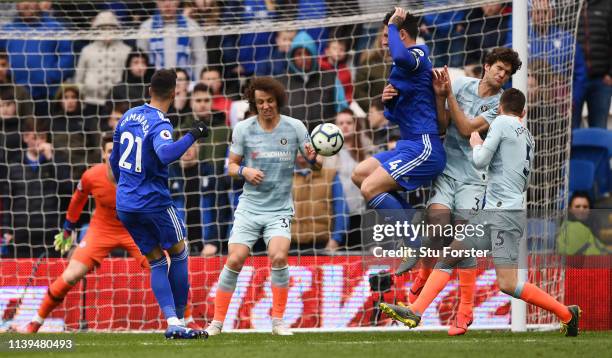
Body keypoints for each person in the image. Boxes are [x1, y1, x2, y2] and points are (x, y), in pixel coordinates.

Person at [380, 88, 582, 338]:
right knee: (503, 281)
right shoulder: (528, 135)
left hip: (498, 212)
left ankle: (417, 309)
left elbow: (480, 161)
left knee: (455, 256)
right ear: (524, 112)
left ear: (499, 108)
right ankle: (567, 314)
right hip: (512, 213)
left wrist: (477, 144)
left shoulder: (501, 123)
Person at [395, 47, 522, 336]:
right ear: (487, 65)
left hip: (475, 180)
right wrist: (441, 97)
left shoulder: (499, 107)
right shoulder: (463, 85)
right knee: (438, 229)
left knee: (463, 239)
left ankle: (465, 310)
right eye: (499, 68)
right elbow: (443, 125)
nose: (502, 75)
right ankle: (424, 275)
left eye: (507, 73)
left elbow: (466, 129)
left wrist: (448, 94)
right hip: (448, 172)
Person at [205, 77, 320, 336]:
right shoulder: (244, 129)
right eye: (260, 102)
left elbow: (317, 163)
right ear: (254, 104)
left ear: (277, 100)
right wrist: (245, 170)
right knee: (235, 259)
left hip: (279, 209)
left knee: (278, 256)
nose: (266, 106)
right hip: (249, 207)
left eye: (269, 101)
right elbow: (231, 166)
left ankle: (278, 321)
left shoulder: (295, 127)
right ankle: (216, 322)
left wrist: (315, 159)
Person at [109, 69, 209, 339]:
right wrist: (193, 134)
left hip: (126, 204)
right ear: (174, 92)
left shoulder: (127, 116)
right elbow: (166, 154)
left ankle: (173, 320)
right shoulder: (160, 123)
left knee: (155, 261)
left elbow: (113, 162)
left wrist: (126, 187)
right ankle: (180, 320)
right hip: (153, 201)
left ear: (149, 89)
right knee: (179, 251)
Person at [350, 8, 446, 253]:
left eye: (387, 35)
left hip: (424, 147)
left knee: (370, 188)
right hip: (408, 144)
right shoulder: (401, 70)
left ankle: (415, 245)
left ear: (401, 34)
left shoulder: (417, 55)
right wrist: (388, 100)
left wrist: (391, 24)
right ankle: (412, 219)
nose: (384, 41)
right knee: (360, 174)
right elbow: (394, 116)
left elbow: (403, 58)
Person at [1, 118, 72, 258]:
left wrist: (51, 158)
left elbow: (67, 188)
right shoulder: (14, 164)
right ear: (25, 137)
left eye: (42, 137)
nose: (39, 142)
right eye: (35, 137)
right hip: (21, 233)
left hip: (51, 232)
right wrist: (7, 229)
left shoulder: (56, 161)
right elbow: (8, 201)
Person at [0, 1, 74, 101]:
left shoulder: (55, 28)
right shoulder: (7, 30)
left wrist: (50, 76)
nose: (26, 4)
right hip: (14, 95)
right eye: (21, 1)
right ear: (17, 5)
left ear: (39, 3)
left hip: (47, 94)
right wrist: (6, 75)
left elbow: (67, 56)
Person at [276, 30, 347, 130]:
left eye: (307, 53)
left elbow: (342, 109)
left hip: (325, 139)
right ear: (292, 56)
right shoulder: (280, 83)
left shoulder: (330, 78)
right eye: (299, 54)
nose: (303, 57)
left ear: (313, 54)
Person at [75, 11, 131, 117]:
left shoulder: (126, 50)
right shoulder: (87, 50)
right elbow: (79, 78)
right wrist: (83, 96)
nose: (107, 31)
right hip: (92, 101)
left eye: (111, 27)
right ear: (96, 29)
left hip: (118, 103)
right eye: (103, 27)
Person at [137, 0, 207, 80]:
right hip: (155, 85)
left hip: (186, 84)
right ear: (156, 2)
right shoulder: (146, 27)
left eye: (171, 0)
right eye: (162, 1)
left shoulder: (192, 26)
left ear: (178, 1)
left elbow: (200, 58)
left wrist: (195, 84)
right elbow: (141, 60)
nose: (167, 4)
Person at [575, 0, 611, 129]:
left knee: (599, 128)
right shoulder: (569, 7)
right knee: (571, 130)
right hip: (575, 82)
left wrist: (610, 74)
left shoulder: (607, 5)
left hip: (601, 81)